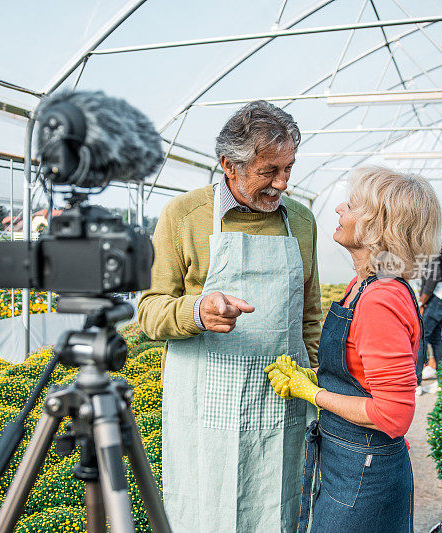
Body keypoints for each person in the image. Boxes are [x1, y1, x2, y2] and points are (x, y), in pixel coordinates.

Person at [137, 100, 322, 532]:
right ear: (229, 165)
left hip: (283, 408)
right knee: (208, 512)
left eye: (289, 168)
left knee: (280, 511)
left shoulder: (302, 221)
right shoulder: (184, 217)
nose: (282, 183)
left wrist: (315, 384)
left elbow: (308, 317)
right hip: (206, 413)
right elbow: (148, 312)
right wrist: (197, 310)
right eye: (268, 171)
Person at [266, 166, 441, 533]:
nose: (339, 208)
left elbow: (393, 414)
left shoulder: (381, 298)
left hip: (365, 471)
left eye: (353, 204)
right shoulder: (361, 285)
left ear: (379, 225)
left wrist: (312, 393)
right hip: (346, 458)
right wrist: (311, 376)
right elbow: (359, 372)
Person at [415, 244, 442, 392]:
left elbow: (432, 277)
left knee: (421, 335)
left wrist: (422, 301)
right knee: (434, 336)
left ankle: (416, 384)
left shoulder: (431, 244)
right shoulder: (429, 243)